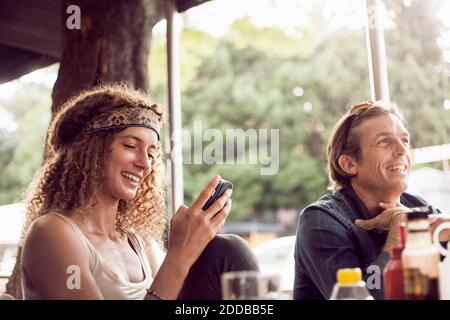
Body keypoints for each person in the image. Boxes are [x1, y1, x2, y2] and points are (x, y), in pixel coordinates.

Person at [20, 83, 259, 300]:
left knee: (227, 250)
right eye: (131, 146)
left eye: (152, 153)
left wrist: (193, 245)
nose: (145, 163)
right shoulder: (51, 233)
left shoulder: (138, 241)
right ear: (89, 150)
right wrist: (180, 254)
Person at [293, 100, 450, 300]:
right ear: (349, 164)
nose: (402, 150)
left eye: (404, 140)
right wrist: (397, 237)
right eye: (384, 141)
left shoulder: (418, 208)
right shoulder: (320, 221)